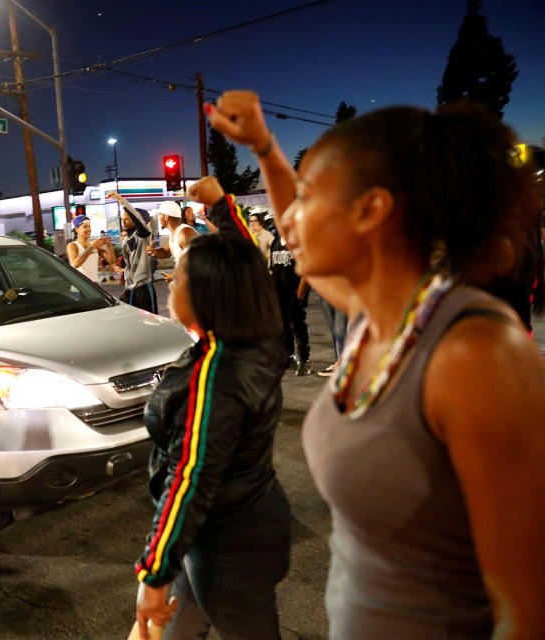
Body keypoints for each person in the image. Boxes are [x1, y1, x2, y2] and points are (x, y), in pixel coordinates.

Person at [207, 90, 545, 638]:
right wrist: (266, 149)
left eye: (310, 194)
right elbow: (298, 237)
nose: (289, 220)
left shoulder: (474, 355)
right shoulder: (377, 317)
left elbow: (528, 612)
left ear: (371, 210)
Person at [133, 231, 291, 639]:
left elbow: (189, 480)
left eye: (179, 276)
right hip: (245, 523)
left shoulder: (213, 377)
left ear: (207, 291)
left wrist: (153, 575)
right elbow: (245, 262)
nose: (170, 282)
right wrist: (221, 207)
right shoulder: (257, 343)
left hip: (227, 548)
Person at [269, 229, 312, 375]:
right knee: (283, 325)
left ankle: (304, 361)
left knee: (298, 325)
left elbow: (306, 269)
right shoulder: (276, 241)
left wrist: (300, 294)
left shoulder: (297, 241)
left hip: (294, 290)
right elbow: (272, 269)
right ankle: (289, 356)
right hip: (279, 291)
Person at [108, 190, 158, 314]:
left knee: (150, 324)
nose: (123, 220)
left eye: (128, 218)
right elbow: (132, 264)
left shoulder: (143, 235)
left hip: (143, 287)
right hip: (130, 288)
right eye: (123, 218)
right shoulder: (126, 240)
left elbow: (138, 219)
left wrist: (121, 199)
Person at [146, 201, 198, 281]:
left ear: (166, 217)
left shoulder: (184, 233)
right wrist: (153, 252)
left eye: (160, 215)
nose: (158, 218)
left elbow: (198, 263)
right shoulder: (175, 233)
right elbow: (166, 253)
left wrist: (175, 277)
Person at [66, 213, 112, 282]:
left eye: (89, 226)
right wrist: (92, 247)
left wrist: (109, 245)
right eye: (85, 226)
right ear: (76, 229)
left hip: (93, 286)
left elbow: (110, 260)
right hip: (79, 287)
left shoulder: (95, 245)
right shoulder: (72, 245)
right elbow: (75, 264)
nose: (88, 229)